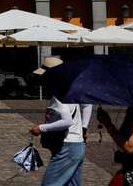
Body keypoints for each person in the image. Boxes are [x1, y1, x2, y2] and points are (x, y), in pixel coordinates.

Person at [29, 57, 92, 186]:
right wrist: (83, 128)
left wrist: (40, 128)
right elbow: (88, 104)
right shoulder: (70, 90)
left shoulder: (59, 95)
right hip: (77, 145)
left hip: (67, 147)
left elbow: (67, 121)